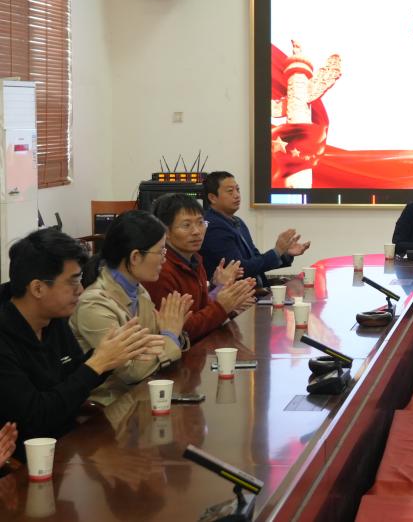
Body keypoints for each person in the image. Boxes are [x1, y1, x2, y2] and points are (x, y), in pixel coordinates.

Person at [0, 229, 163, 456]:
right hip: (28, 459)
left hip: (68, 446)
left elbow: (73, 378)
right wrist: (97, 363)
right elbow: (36, 417)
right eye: (73, 282)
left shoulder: (53, 319)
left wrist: (113, 355)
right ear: (37, 288)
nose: (81, 290)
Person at [71, 211, 194, 404]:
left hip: (141, 397)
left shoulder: (139, 291)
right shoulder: (94, 304)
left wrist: (172, 333)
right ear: (135, 257)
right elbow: (130, 371)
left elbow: (151, 350)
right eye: (160, 252)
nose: (164, 259)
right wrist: (170, 336)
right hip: (109, 406)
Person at [149, 193, 257, 342]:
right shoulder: (161, 270)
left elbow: (202, 311)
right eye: (186, 225)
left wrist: (231, 305)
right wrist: (222, 307)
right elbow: (182, 331)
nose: (196, 231)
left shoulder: (195, 259)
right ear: (166, 232)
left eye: (200, 223)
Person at [200, 171, 310, 288]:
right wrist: (277, 251)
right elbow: (241, 269)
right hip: (236, 296)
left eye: (238, 189)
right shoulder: (213, 227)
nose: (237, 195)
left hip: (256, 292)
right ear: (212, 198)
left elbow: (256, 259)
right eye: (230, 191)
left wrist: (284, 253)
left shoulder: (237, 221)